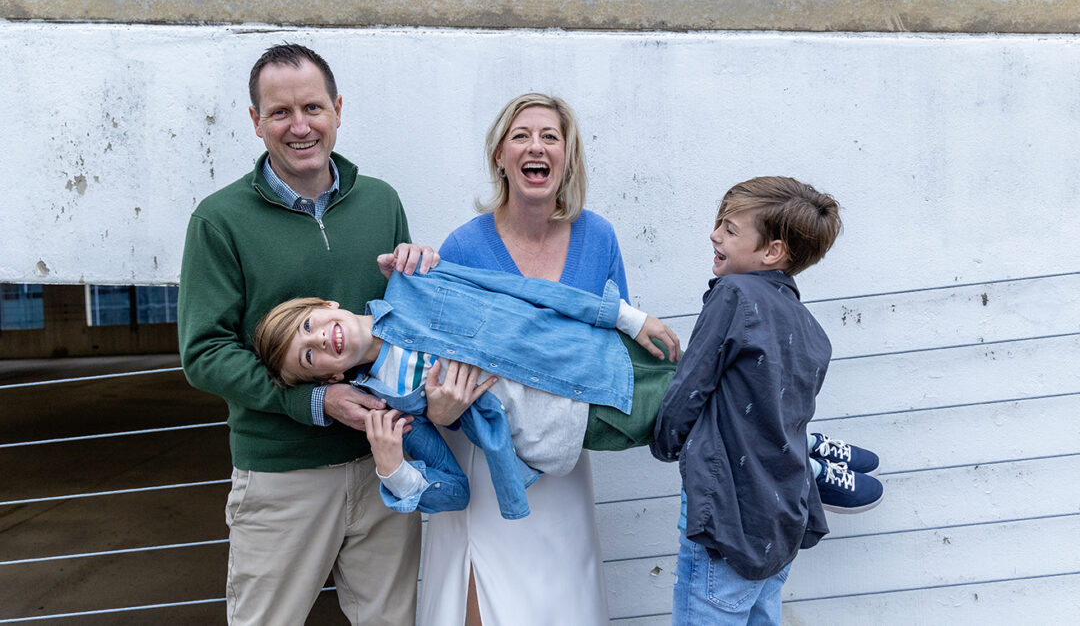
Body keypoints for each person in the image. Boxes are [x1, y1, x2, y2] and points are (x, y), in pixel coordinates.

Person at [178, 43, 436, 626]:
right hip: (282, 474)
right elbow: (204, 354)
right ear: (255, 121)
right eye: (280, 112)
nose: (301, 127)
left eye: (313, 108)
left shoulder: (381, 201)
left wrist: (423, 274)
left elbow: (402, 322)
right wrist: (314, 400)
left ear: (338, 109)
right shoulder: (219, 221)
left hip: (383, 464)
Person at [419, 93, 634, 625]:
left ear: (568, 155)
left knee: (562, 602)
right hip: (485, 457)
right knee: (483, 604)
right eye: (521, 136)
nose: (535, 146)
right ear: (499, 155)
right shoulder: (464, 246)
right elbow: (438, 360)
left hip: (563, 458)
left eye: (550, 136)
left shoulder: (598, 237)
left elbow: (613, 350)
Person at [249, 261, 679, 518]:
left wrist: (623, 316)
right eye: (308, 357)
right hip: (570, 427)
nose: (319, 340)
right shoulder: (391, 408)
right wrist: (391, 467)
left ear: (327, 306)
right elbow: (456, 492)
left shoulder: (413, 279)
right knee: (703, 428)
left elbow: (519, 289)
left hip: (598, 354)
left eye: (308, 326)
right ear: (329, 379)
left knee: (728, 388)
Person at [650, 176, 882, 625]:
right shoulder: (811, 328)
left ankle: (817, 461)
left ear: (772, 251)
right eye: (719, 223)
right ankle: (814, 462)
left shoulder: (733, 295)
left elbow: (689, 387)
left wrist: (665, 440)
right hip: (778, 523)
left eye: (730, 229)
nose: (715, 234)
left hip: (724, 521)